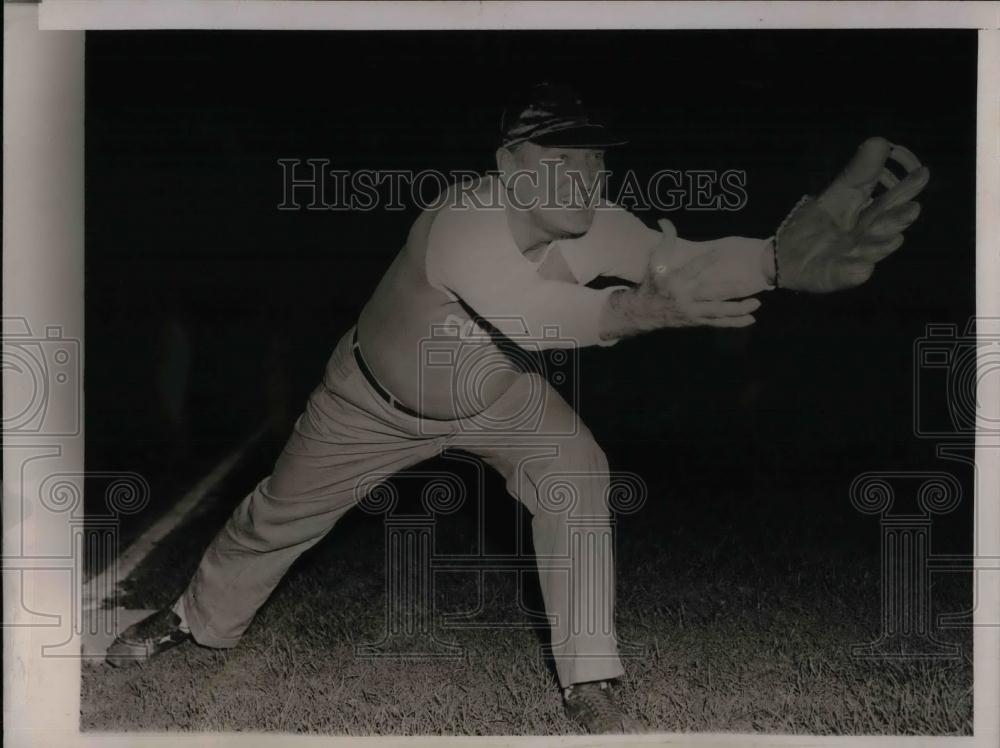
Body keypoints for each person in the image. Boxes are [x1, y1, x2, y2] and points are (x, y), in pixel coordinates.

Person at [107, 82, 929, 734]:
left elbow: (675, 262)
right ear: (510, 163)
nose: (588, 177)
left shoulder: (593, 221)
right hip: (374, 402)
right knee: (274, 519)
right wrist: (651, 308)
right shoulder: (462, 224)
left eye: (596, 160)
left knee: (576, 472)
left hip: (498, 395)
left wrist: (776, 259)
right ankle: (197, 620)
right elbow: (565, 319)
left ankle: (591, 675)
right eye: (562, 159)